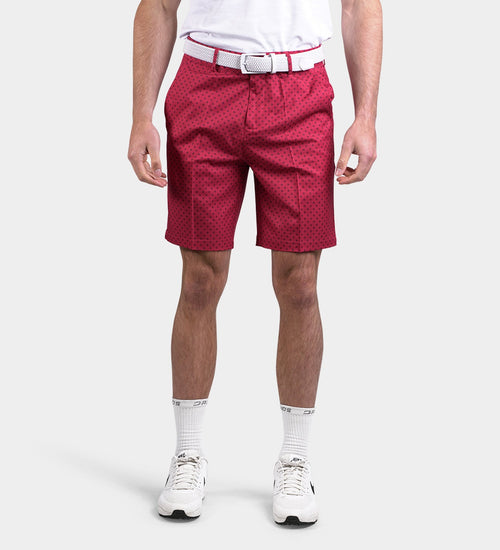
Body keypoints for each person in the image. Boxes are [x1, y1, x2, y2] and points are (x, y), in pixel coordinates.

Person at [128, 0, 382, 526]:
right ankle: (188, 454)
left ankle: (295, 459)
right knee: (200, 279)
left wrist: (366, 116)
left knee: (300, 283)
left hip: (299, 91)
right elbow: (158, 5)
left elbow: (360, 6)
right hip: (204, 86)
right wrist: (140, 115)